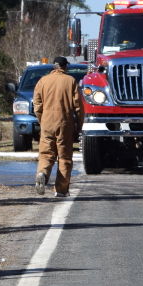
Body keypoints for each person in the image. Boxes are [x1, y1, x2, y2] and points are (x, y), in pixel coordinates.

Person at [32, 57, 84, 198]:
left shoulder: (42, 81)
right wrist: (79, 124)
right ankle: (60, 190)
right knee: (64, 157)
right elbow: (78, 106)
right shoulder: (71, 81)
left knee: (46, 154)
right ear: (65, 67)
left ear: (54, 66)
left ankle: (42, 173)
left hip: (47, 123)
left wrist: (42, 120)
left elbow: (37, 104)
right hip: (64, 123)